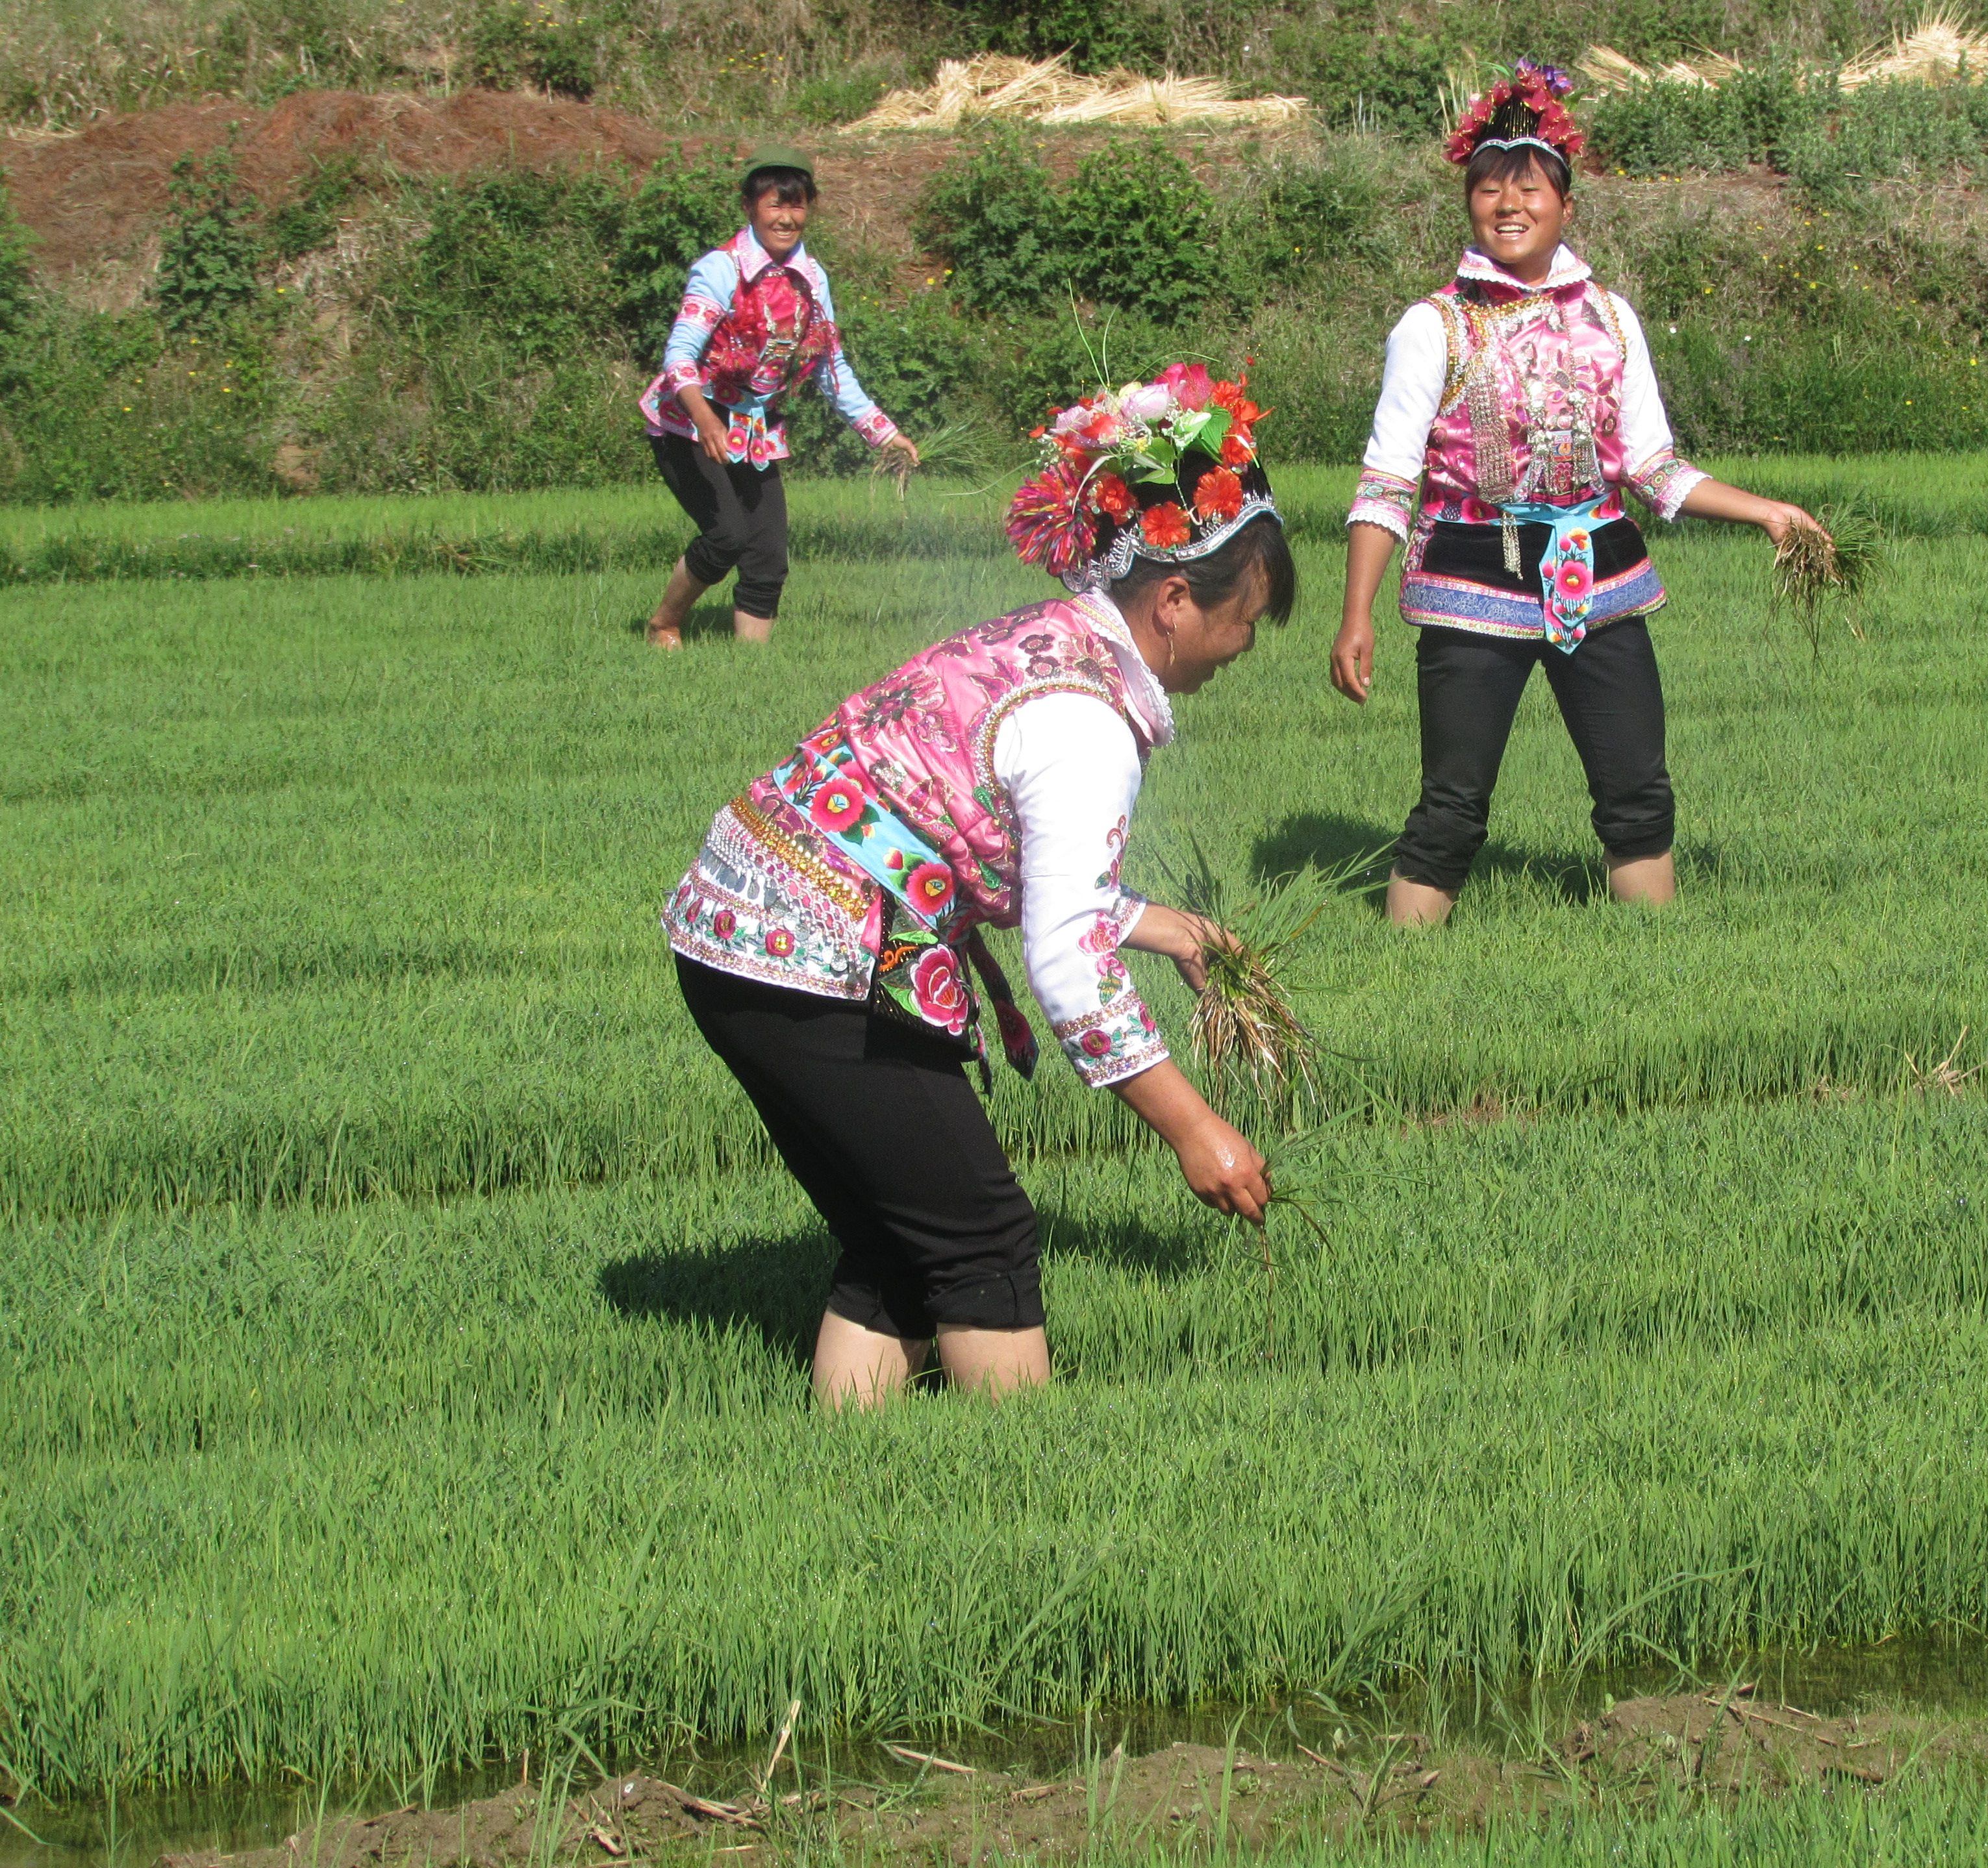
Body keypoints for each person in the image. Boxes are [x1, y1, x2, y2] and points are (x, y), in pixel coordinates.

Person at [666, 362, 1290, 1407]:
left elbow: (999, 853)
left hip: (739, 927)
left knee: (902, 1232)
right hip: (821, 955)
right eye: (1249, 618)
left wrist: (1165, 927)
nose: (1247, 647)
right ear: (1176, 601)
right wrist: (1195, 1127)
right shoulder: (1088, 722)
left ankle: (854, 1481)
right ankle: (1021, 1492)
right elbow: (1065, 965)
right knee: (982, 1240)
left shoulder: (1045, 639)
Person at [1329, 63, 1829, 925]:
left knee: (1637, 795)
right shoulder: (1433, 326)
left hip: (1597, 576)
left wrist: (1768, 512)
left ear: (1564, 203)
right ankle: (1400, 976)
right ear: (1470, 204)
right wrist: (1358, 614)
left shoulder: (1610, 315)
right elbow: (1388, 480)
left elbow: (1654, 466)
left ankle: (1660, 971)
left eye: (1527, 188)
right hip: (1471, 579)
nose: (1507, 205)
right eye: (1488, 190)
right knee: (1451, 809)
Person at [640, 145, 921, 647]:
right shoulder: (721, 269)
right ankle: (664, 622)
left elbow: (829, 365)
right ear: (750, 207)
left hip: (753, 426)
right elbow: (679, 355)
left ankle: (752, 669)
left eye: (797, 207)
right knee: (726, 534)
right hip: (689, 419)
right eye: (775, 205)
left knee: (768, 552)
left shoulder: (812, 279)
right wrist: (706, 420)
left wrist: (884, 433)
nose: (787, 218)